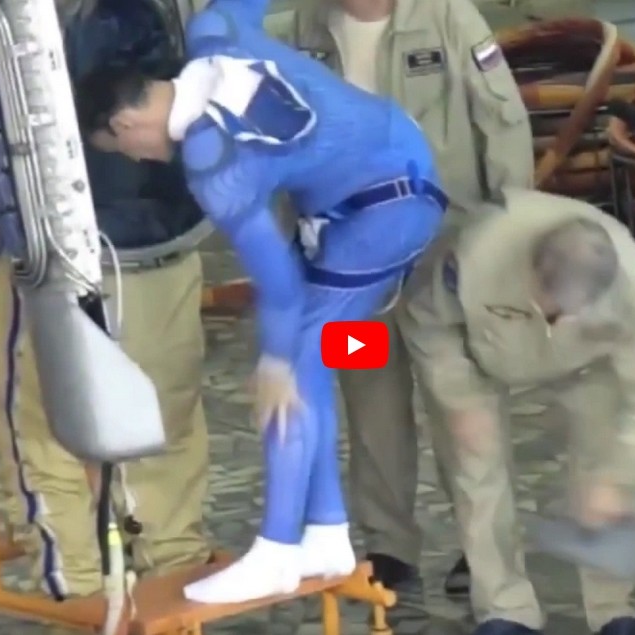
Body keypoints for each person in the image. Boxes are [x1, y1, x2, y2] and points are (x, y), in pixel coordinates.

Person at [74, 0, 446, 604]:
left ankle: (276, 551)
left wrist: (273, 364)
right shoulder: (214, 33)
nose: (138, 160)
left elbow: (279, 284)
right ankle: (326, 531)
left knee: (294, 370)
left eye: (122, 150)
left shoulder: (211, 160)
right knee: (313, 364)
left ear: (125, 124)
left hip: (385, 211)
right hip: (391, 169)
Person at [0, 1, 212, 602]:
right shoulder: (186, 14)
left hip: (53, 270)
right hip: (169, 255)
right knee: (167, 425)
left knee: (44, 439)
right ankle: (175, 576)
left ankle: (80, 594)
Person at [288, 0, 534, 597]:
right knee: (370, 410)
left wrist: (510, 235)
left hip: (443, 257)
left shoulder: (449, 18)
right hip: (350, 270)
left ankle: (484, 552)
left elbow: (503, 124)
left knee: (464, 408)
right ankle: (389, 547)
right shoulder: (307, 27)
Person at [398, 189, 635, 635]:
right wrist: (458, 397)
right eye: (556, 308)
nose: (562, 319)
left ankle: (617, 609)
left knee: (607, 461)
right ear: (534, 275)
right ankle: (504, 609)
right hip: (485, 351)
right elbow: (425, 318)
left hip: (590, 360)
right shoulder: (478, 254)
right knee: (477, 471)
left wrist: (620, 476)